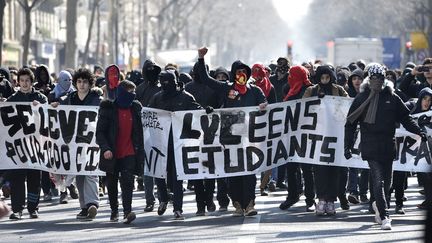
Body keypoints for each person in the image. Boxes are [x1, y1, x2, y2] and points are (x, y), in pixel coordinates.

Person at [345, 63, 427, 230]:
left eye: (380, 78)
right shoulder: (362, 98)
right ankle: (385, 216)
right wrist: (347, 145)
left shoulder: (392, 97)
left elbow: (406, 118)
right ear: (369, 78)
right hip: (370, 146)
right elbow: (350, 123)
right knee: (378, 181)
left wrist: (419, 131)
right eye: (373, 78)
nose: (377, 81)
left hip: (388, 146)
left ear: (384, 79)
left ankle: (379, 205)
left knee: (387, 183)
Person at [197, 47, 267, 217]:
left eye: (244, 72)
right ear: (234, 73)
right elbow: (205, 79)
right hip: (230, 138)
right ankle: (237, 203)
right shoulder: (225, 88)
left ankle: (249, 204)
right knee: (234, 172)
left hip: (249, 138)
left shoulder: (255, 90)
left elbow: (264, 104)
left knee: (249, 172)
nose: (241, 75)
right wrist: (201, 58)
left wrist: (264, 106)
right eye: (238, 72)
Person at [149, 70, 202, 220]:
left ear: (175, 81)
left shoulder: (185, 97)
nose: (165, 85)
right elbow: (149, 115)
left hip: (179, 143)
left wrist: (206, 111)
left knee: (178, 175)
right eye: (163, 82)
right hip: (160, 142)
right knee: (159, 173)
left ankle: (178, 208)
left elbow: (197, 111)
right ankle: (163, 198)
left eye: (168, 82)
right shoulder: (157, 97)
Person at [52, 68, 102, 220]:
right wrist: (55, 106)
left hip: (92, 142)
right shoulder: (69, 98)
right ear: (75, 83)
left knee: (91, 172)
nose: (81, 85)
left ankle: (93, 203)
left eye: (85, 82)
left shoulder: (97, 99)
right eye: (79, 82)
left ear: (90, 83)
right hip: (74, 142)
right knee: (79, 174)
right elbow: (62, 112)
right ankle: (84, 207)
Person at [96, 80, 144, 224]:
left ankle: (127, 211)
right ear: (122, 92)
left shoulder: (135, 108)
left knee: (128, 182)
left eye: (133, 92)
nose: (133, 95)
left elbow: (140, 132)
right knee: (111, 183)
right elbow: (100, 132)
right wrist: (106, 148)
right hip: (112, 153)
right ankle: (114, 210)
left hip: (129, 152)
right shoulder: (108, 108)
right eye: (130, 92)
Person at [303, 65, 348, 215]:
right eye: (322, 78)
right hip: (317, 136)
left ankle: (331, 200)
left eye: (327, 78)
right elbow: (303, 108)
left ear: (331, 77)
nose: (324, 80)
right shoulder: (311, 90)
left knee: (334, 170)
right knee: (319, 169)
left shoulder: (339, 90)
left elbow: (348, 104)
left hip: (334, 135)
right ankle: (321, 199)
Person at [7, 67, 47, 219]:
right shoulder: (12, 99)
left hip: (36, 144)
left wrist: (41, 108)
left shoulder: (40, 98)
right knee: (16, 177)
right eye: (22, 81)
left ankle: (33, 208)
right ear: (18, 82)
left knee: (34, 177)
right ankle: (17, 209)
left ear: (32, 82)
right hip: (17, 146)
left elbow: (48, 116)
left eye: (27, 81)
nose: (24, 83)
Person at [185, 62, 220, 216]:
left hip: (211, 132)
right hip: (194, 133)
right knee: (199, 171)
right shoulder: (188, 88)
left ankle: (208, 198)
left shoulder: (213, 87)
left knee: (210, 168)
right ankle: (201, 203)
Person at [279, 65, 315, 212]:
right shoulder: (288, 89)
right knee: (291, 167)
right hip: (292, 135)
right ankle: (292, 195)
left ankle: (310, 199)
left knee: (307, 169)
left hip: (307, 135)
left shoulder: (312, 90)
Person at [136, 59, 162, 213]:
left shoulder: (161, 87)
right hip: (145, 132)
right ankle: (149, 199)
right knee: (148, 168)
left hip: (161, 131)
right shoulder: (140, 89)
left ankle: (162, 197)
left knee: (160, 166)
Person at [250, 63, 277, 196]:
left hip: (266, 126)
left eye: (260, 77)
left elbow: (274, 106)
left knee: (267, 158)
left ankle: (263, 186)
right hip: (251, 127)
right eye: (255, 77)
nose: (258, 80)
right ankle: (250, 185)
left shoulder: (270, 88)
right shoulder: (248, 88)